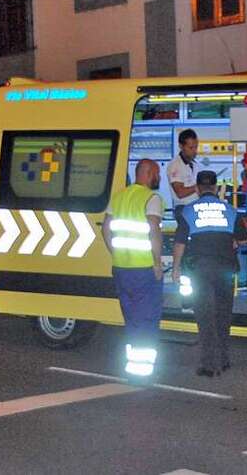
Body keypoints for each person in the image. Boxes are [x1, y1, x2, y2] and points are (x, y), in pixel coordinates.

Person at [171, 170, 247, 378]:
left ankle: (209, 365)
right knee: (223, 315)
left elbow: (180, 242)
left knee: (205, 316)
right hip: (225, 269)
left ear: (197, 188)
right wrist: (232, 240)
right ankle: (223, 360)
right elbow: (243, 239)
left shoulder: (188, 210)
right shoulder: (230, 210)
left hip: (200, 270)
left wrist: (176, 267)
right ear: (215, 188)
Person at [101, 159, 164, 383]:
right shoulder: (151, 198)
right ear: (147, 172)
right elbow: (153, 230)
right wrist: (157, 263)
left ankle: (133, 367)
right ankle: (142, 372)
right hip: (144, 269)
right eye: (156, 173)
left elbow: (105, 228)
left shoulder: (119, 197)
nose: (158, 177)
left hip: (121, 268)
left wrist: (115, 252)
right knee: (147, 319)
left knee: (132, 318)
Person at [166, 129, 201, 222]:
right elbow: (180, 193)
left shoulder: (194, 164)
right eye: (191, 148)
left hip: (195, 206)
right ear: (181, 146)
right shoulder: (175, 165)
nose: (194, 151)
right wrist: (197, 187)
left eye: (196, 147)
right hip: (183, 209)